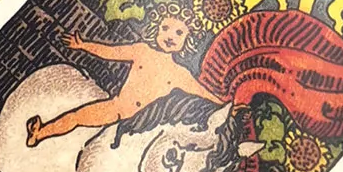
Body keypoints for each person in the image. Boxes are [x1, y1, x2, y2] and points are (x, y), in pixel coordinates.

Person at [25, 11, 223, 147]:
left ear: (187, 40)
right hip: (117, 109)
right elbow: (111, 52)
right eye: (165, 28)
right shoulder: (142, 50)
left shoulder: (180, 73)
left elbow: (202, 93)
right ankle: (40, 133)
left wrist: (226, 106)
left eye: (179, 33)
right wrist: (83, 45)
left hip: (144, 126)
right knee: (77, 117)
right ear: (156, 29)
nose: (171, 36)